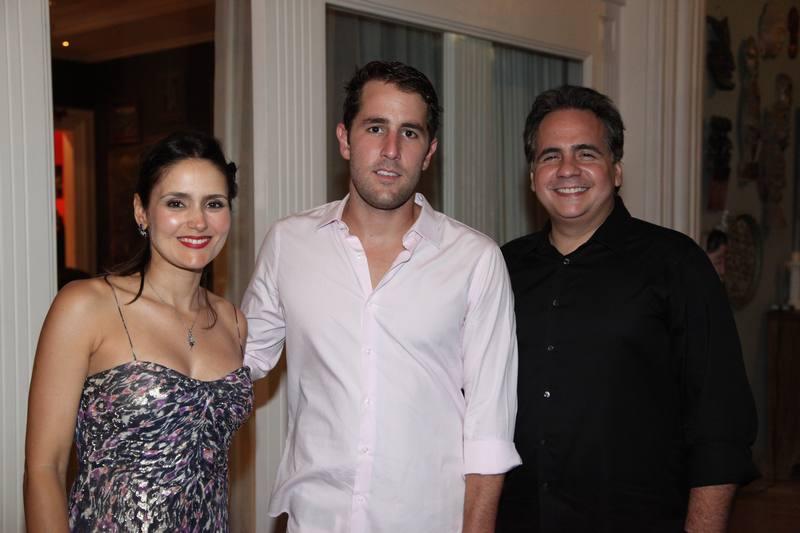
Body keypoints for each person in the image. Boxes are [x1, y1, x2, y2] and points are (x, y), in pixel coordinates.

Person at [242, 60, 520, 533]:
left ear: (429, 152)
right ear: (345, 139)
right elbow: (241, 361)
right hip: (315, 520)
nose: (391, 150)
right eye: (375, 128)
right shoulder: (289, 243)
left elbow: (489, 428)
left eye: (410, 133)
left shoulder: (476, 259)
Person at [497, 86, 758, 533]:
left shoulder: (676, 265)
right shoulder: (501, 268)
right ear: (533, 175)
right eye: (550, 156)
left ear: (616, 170)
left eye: (586, 153)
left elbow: (720, 425)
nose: (567, 169)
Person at [24, 131, 252, 532]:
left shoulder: (233, 321)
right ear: (141, 211)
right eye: (176, 203)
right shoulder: (86, 306)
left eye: (214, 203)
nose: (199, 221)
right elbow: (45, 468)